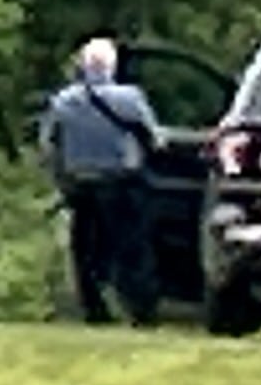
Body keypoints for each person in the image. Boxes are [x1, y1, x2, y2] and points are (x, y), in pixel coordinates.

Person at [37, 35, 165, 326]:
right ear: (112, 67)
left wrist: (61, 178)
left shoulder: (63, 101)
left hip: (81, 185)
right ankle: (141, 311)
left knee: (86, 252)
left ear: (82, 66)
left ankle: (94, 310)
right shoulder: (130, 99)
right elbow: (156, 140)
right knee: (132, 249)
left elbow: (47, 145)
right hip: (122, 183)